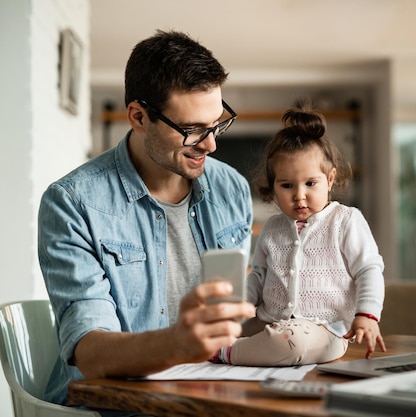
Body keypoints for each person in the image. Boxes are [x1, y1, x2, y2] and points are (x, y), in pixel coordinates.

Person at [37, 30, 255, 408]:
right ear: (139, 117)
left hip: (209, 397)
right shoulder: (72, 203)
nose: (211, 144)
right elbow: (89, 351)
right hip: (110, 408)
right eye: (192, 130)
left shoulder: (231, 187)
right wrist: (178, 344)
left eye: (217, 123)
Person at [212, 103, 387, 366]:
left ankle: (227, 353)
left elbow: (369, 270)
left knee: (291, 343)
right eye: (286, 185)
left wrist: (367, 314)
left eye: (310, 183)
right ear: (273, 186)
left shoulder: (345, 220)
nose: (299, 195)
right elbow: (258, 277)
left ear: (330, 179)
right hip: (267, 322)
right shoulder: (272, 227)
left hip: (325, 330)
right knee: (218, 332)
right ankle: (230, 346)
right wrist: (236, 311)